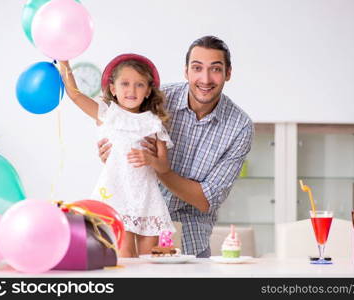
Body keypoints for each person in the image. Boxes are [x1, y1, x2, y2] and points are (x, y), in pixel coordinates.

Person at [99, 36, 254, 258]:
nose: (205, 78)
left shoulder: (240, 126)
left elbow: (206, 200)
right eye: (197, 68)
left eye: (216, 69)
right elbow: (122, 127)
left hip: (192, 239)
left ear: (228, 73)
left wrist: (159, 167)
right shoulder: (157, 100)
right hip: (138, 220)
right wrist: (114, 153)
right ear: (186, 71)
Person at [58, 54, 176, 258]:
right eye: (125, 84)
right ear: (113, 88)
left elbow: (164, 167)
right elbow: (76, 95)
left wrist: (150, 159)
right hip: (117, 197)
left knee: (151, 264)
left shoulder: (154, 123)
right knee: (125, 258)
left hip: (147, 198)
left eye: (139, 85)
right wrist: (64, 63)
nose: (132, 90)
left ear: (148, 91)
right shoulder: (107, 114)